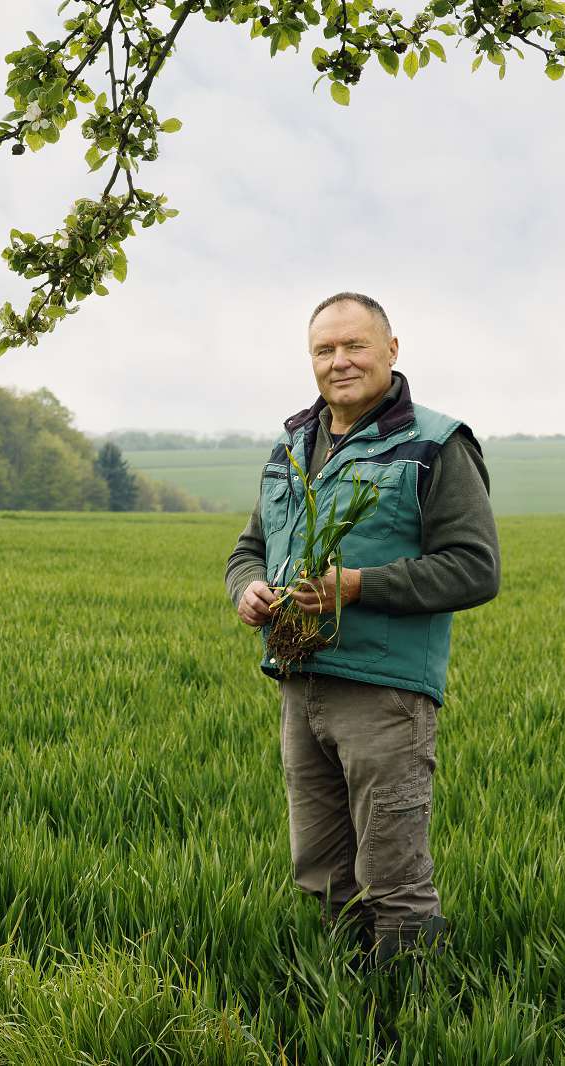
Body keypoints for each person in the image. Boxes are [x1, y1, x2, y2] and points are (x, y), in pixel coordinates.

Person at [224, 292, 501, 969]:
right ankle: (341, 1003)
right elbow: (248, 548)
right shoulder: (294, 443)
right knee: (320, 873)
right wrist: (248, 589)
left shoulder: (435, 444)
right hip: (301, 685)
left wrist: (356, 586)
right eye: (325, 349)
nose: (340, 361)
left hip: (385, 695)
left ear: (392, 351)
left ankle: (410, 1020)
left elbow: (474, 569)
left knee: (394, 882)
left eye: (356, 346)